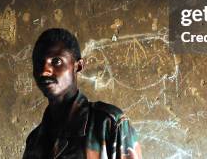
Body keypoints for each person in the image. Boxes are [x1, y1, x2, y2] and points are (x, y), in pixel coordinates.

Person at [23, 28, 142, 159]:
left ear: (78, 66)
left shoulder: (109, 123)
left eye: (56, 61)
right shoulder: (35, 140)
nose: (44, 71)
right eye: (39, 63)